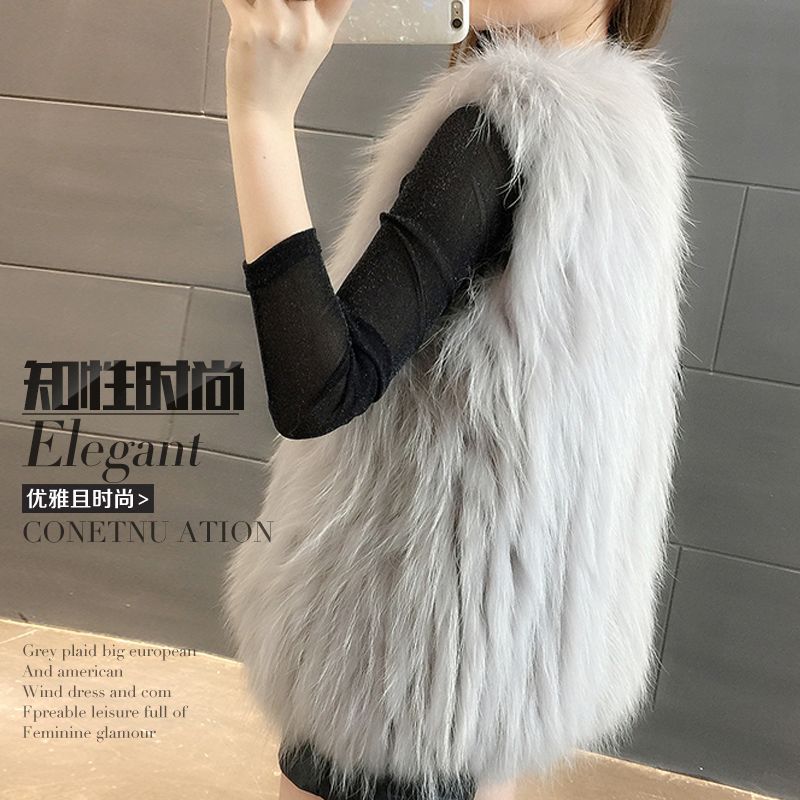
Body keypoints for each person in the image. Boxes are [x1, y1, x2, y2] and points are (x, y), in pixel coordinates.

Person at [220, 2, 684, 800]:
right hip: (498, 642)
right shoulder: (625, 128)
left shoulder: (502, 132)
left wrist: (257, 112)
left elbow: (320, 387)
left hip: (399, 649)